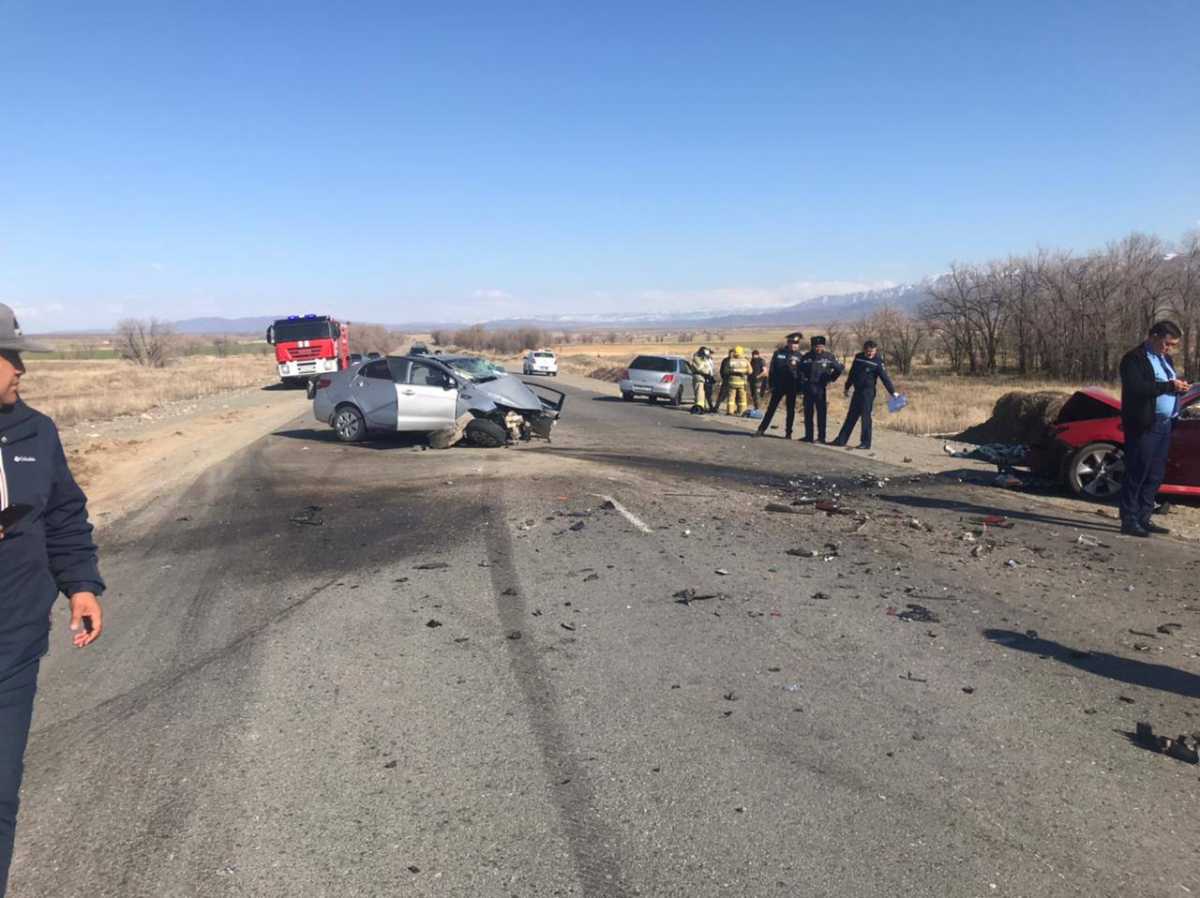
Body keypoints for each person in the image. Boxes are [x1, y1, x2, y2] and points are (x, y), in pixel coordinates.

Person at [0, 303, 105, 896]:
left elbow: (63, 514)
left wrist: (81, 585)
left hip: (12, 644)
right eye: (11, 356)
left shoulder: (35, 430)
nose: (21, 370)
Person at [1118, 320, 1190, 537]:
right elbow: (1137, 388)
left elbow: (1164, 385)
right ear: (1155, 336)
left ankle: (1144, 516)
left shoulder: (1165, 359)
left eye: (1174, 345)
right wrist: (1169, 386)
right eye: (1168, 344)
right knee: (1137, 470)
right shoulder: (1134, 359)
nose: (1170, 349)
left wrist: (1179, 388)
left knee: (1155, 474)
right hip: (1145, 424)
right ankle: (1129, 518)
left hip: (1165, 425)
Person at [831, 340, 898, 450]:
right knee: (851, 416)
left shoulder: (878, 362)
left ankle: (866, 443)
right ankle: (841, 440)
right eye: (868, 352)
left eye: (872, 352)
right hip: (857, 391)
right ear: (864, 350)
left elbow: (885, 379)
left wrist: (893, 392)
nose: (870, 354)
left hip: (868, 393)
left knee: (866, 417)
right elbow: (852, 373)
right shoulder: (858, 357)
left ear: (876, 350)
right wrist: (847, 387)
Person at [754, 332, 804, 438]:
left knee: (790, 410)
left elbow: (801, 374)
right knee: (771, 408)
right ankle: (761, 429)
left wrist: (800, 388)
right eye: (793, 342)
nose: (795, 345)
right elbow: (772, 370)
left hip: (792, 386)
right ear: (788, 342)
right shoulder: (778, 353)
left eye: (797, 343)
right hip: (779, 386)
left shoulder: (800, 356)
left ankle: (788, 433)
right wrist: (771, 385)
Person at [798, 336, 845, 443]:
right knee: (808, 413)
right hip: (808, 388)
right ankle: (808, 436)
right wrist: (801, 385)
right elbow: (799, 371)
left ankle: (821, 437)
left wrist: (831, 378)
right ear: (813, 346)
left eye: (821, 346)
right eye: (816, 346)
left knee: (821, 414)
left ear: (824, 346)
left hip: (820, 388)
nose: (819, 348)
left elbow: (839, 368)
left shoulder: (829, 357)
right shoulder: (806, 357)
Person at [724, 346, 751, 415]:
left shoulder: (730, 361)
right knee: (742, 398)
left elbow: (726, 371)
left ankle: (730, 411)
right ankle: (742, 411)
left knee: (731, 398)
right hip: (742, 382)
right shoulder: (745, 361)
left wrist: (733, 371)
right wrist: (743, 372)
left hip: (732, 382)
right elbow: (750, 371)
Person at [690, 346, 715, 413]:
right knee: (699, 392)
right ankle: (699, 407)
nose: (709, 355)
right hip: (699, 377)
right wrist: (707, 372)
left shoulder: (709, 360)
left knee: (707, 393)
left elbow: (710, 368)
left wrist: (711, 375)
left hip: (707, 378)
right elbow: (700, 368)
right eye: (708, 353)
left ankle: (704, 407)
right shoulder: (697, 358)